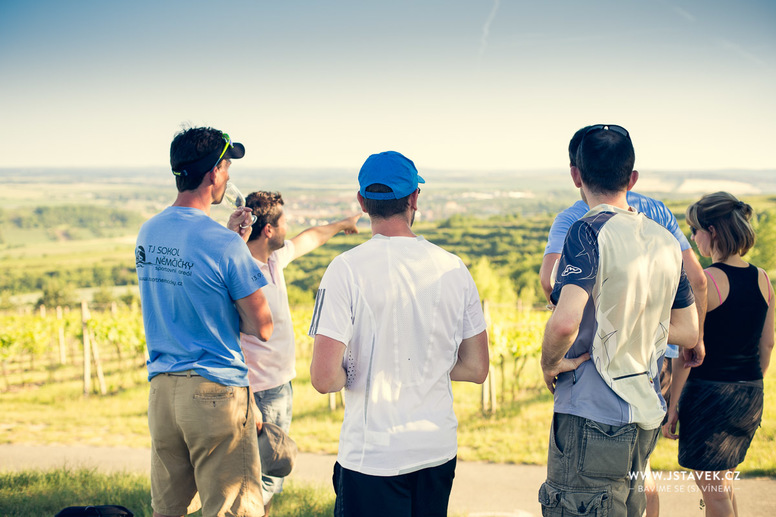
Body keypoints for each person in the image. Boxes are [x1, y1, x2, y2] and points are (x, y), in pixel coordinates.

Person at [538, 125, 709, 516]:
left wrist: (549, 363)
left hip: (591, 411)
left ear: (576, 175)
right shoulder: (665, 239)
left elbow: (564, 323)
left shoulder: (586, 230)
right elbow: (688, 330)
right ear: (631, 178)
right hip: (646, 411)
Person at [308, 151, 490, 517]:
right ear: (414, 199)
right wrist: (429, 362)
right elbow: (476, 368)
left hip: (371, 457)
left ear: (362, 201)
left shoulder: (344, 270)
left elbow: (324, 379)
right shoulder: (454, 269)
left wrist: (365, 368)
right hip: (436, 451)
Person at [136, 127, 274, 517]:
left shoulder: (149, 231)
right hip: (215, 394)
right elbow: (262, 326)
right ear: (214, 173)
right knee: (231, 510)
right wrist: (237, 249)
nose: (228, 174)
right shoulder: (225, 244)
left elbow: (186, 289)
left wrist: (228, 240)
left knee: (169, 510)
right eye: (227, 165)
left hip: (162, 395)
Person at [241, 190, 360, 515]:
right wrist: (249, 398)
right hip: (260, 393)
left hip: (279, 387)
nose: (288, 229)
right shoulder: (243, 273)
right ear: (268, 230)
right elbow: (231, 340)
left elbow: (309, 238)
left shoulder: (273, 260)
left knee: (268, 477)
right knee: (260, 480)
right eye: (283, 223)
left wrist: (343, 224)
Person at [662, 192, 774, 517]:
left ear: (712, 231)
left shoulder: (706, 282)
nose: (693, 238)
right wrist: (748, 385)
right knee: (722, 488)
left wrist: (674, 406)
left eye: (694, 230)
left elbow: (689, 352)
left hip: (710, 395)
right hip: (750, 393)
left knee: (715, 495)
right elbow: (767, 345)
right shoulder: (763, 279)